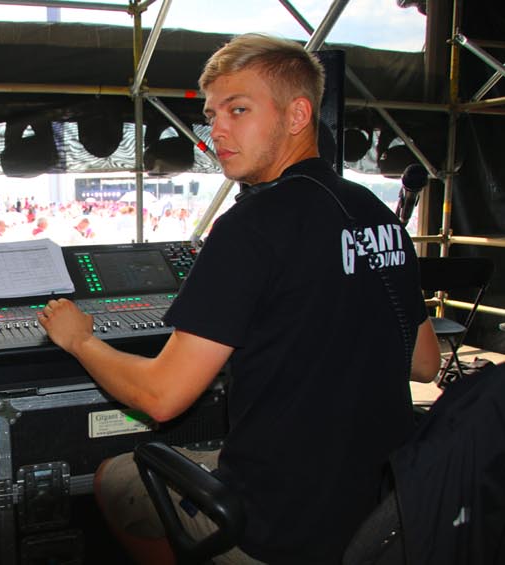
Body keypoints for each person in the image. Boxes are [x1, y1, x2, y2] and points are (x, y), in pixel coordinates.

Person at [36, 33, 440, 564]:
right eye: (211, 114)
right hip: (382, 517)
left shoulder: (249, 227)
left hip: (280, 529)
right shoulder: (377, 214)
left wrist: (80, 340)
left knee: (115, 477)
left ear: (298, 115)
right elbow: (425, 362)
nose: (217, 130)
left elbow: (161, 396)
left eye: (238, 109)